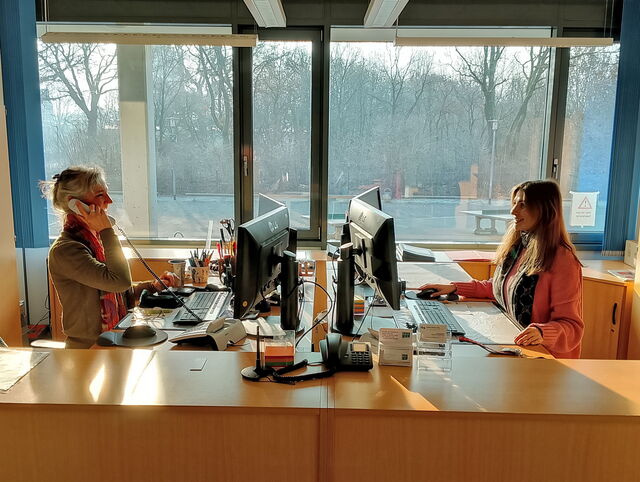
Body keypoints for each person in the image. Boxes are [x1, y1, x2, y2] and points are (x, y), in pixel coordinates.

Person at [420, 180, 583, 358]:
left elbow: (572, 326)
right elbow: (501, 288)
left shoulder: (563, 260)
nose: (513, 211)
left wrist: (542, 332)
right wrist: (455, 288)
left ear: (545, 210)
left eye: (523, 205)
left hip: (545, 356)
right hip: (516, 346)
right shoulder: (521, 245)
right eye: (514, 204)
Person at [41, 166, 179, 348]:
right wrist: (107, 231)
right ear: (75, 203)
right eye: (100, 195)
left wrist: (152, 286)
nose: (109, 201)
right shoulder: (66, 250)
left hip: (115, 338)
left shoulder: (95, 242)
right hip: (90, 350)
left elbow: (118, 293)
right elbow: (118, 281)